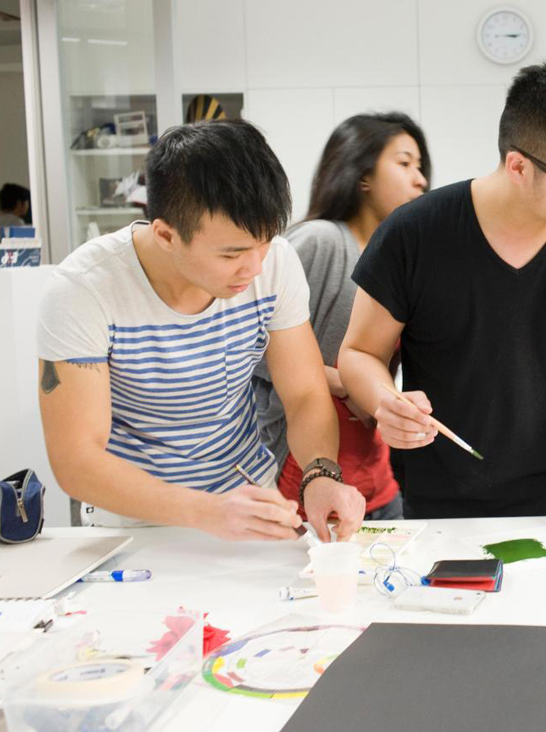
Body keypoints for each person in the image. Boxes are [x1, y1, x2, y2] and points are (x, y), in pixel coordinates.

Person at [339, 54, 546, 552]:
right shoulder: (414, 235)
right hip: (443, 509)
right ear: (520, 166)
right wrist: (385, 401)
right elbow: (359, 354)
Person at [37, 120, 365, 543]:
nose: (255, 267)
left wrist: (320, 473)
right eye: (232, 253)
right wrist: (205, 510)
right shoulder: (83, 290)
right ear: (166, 235)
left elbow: (304, 393)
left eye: (265, 242)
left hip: (249, 498)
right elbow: (77, 458)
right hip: (133, 518)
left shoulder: (275, 263)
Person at [255, 113, 430, 522]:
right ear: (362, 175)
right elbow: (250, 345)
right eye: (404, 164)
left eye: (420, 167)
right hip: (303, 475)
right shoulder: (321, 241)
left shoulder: (398, 260)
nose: (420, 179)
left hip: (374, 477)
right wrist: (344, 380)